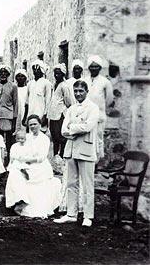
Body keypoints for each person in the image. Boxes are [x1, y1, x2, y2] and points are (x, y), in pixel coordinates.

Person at [54, 80, 99, 227]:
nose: (78, 94)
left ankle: (88, 216)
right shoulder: (71, 109)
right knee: (71, 183)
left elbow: (88, 126)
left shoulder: (93, 108)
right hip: (71, 149)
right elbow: (63, 130)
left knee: (87, 184)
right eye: (76, 91)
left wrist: (72, 128)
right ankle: (71, 214)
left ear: (87, 92)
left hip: (86, 149)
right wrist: (73, 130)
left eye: (81, 91)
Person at [14, 115, 62, 218]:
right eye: (30, 125)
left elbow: (41, 157)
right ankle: (20, 202)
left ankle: (33, 206)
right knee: (17, 174)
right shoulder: (27, 137)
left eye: (35, 124)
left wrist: (27, 159)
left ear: (40, 125)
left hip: (40, 166)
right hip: (27, 163)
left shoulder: (44, 139)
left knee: (38, 182)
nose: (33, 126)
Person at [84, 55, 113, 160]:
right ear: (89, 68)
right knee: (87, 139)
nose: (94, 69)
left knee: (98, 139)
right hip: (86, 115)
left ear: (100, 68)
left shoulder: (105, 82)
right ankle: (88, 160)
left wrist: (99, 108)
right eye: (92, 66)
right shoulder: (85, 80)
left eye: (96, 67)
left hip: (99, 116)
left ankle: (97, 162)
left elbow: (109, 100)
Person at [48, 64, 73, 158]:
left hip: (60, 115)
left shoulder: (64, 86)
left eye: (58, 74)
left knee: (61, 137)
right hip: (53, 115)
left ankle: (62, 156)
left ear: (63, 74)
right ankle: (55, 157)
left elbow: (68, 102)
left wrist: (62, 111)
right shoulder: (54, 85)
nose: (56, 75)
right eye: (55, 73)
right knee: (54, 137)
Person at [0, 66, 18, 156]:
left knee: (9, 139)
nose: (3, 74)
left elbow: (15, 103)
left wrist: (14, 118)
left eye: (5, 72)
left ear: (8, 74)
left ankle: (9, 158)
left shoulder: (13, 86)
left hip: (8, 115)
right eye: (1, 72)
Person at [5, 131, 31, 208]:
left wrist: (25, 161)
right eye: (18, 139)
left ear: (25, 139)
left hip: (24, 163)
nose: (21, 140)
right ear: (16, 139)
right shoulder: (14, 146)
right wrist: (11, 165)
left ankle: (22, 198)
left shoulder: (28, 146)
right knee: (13, 179)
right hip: (16, 164)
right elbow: (12, 157)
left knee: (22, 180)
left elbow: (29, 156)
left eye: (22, 138)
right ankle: (14, 200)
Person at [25, 60, 52, 128]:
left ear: (42, 71)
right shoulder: (30, 84)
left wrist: (45, 116)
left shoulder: (47, 83)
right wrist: (25, 117)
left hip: (41, 115)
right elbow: (27, 102)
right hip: (30, 114)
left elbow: (48, 102)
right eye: (34, 69)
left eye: (38, 69)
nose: (35, 71)